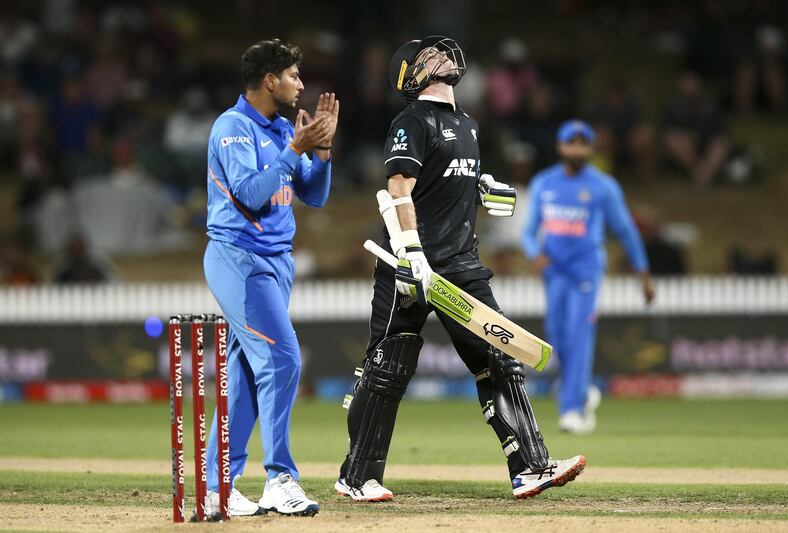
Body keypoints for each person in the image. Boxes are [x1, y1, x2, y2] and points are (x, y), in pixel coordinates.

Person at [336, 36, 585, 503]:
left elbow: (441, 182)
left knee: (499, 357)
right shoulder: (411, 119)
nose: (446, 55)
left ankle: (530, 468)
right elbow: (398, 187)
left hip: (462, 266)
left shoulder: (467, 123)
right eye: (432, 54)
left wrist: (479, 187)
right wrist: (411, 254)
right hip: (410, 268)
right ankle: (357, 477)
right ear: (411, 74)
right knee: (387, 369)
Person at [202, 39, 338, 517]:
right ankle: (280, 477)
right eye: (294, 76)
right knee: (282, 361)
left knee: (244, 371)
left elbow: (314, 196)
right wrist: (294, 149)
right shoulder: (233, 128)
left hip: (277, 262)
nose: (301, 84)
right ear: (269, 80)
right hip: (238, 259)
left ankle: (216, 484)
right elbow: (250, 194)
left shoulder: (282, 128)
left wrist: (319, 153)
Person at [523, 120, 655, 434]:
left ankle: (572, 409)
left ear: (591, 148)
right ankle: (582, 391)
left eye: (583, 144)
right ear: (560, 146)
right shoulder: (544, 183)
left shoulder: (603, 186)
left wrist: (644, 273)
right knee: (556, 334)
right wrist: (534, 253)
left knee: (579, 333)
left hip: (586, 270)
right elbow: (529, 232)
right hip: (554, 271)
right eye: (572, 143)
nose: (577, 149)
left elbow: (626, 231)